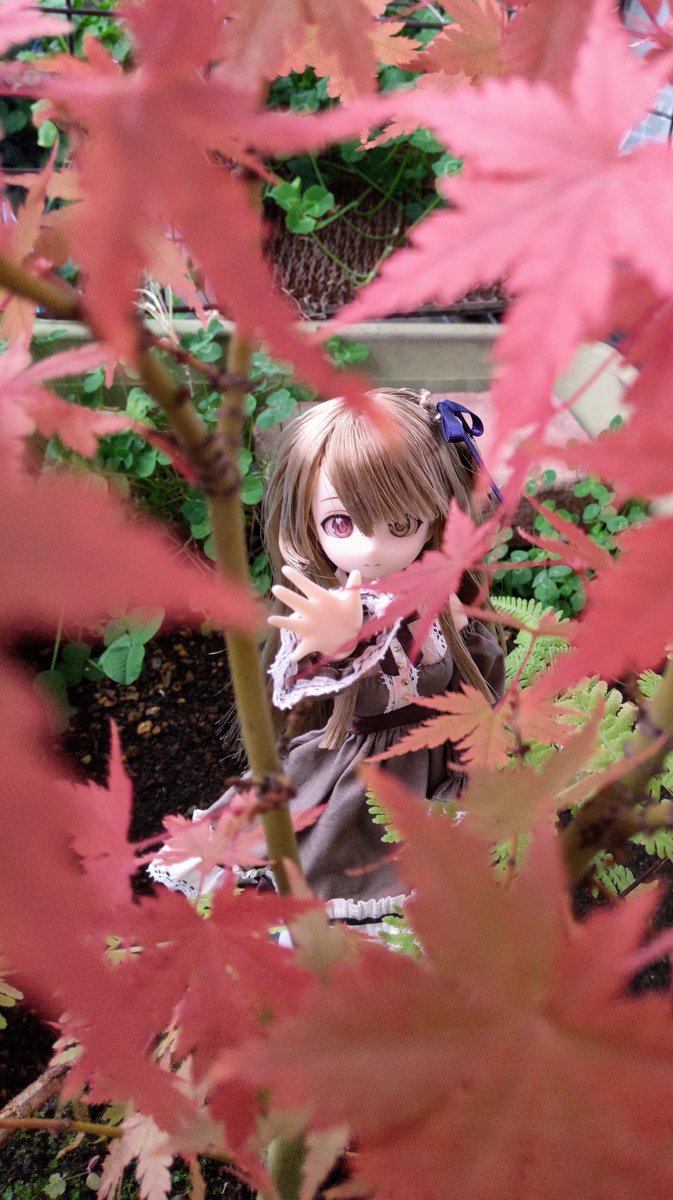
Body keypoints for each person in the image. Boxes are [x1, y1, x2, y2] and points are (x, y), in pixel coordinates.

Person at [149, 388, 504, 933]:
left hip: (441, 759)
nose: (370, 548)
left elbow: (474, 676)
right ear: (307, 523)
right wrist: (343, 641)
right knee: (349, 872)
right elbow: (319, 668)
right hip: (370, 776)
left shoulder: (436, 596)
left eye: (401, 524)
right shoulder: (344, 609)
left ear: (435, 517)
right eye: (341, 523)